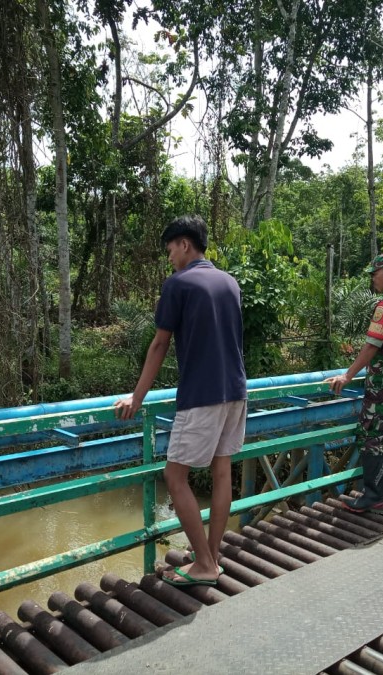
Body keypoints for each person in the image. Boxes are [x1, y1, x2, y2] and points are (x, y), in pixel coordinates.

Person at [114, 215, 247, 587]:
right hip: (236, 391)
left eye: (171, 249)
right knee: (222, 472)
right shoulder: (230, 282)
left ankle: (204, 565)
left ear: (185, 244)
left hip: (201, 394)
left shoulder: (179, 284)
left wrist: (136, 398)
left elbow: (159, 344)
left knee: (175, 476)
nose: (170, 256)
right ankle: (212, 554)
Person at [325, 253, 383, 513]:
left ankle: (374, 496)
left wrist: (347, 375)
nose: (372, 277)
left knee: (370, 435)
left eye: (375, 273)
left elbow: (371, 346)